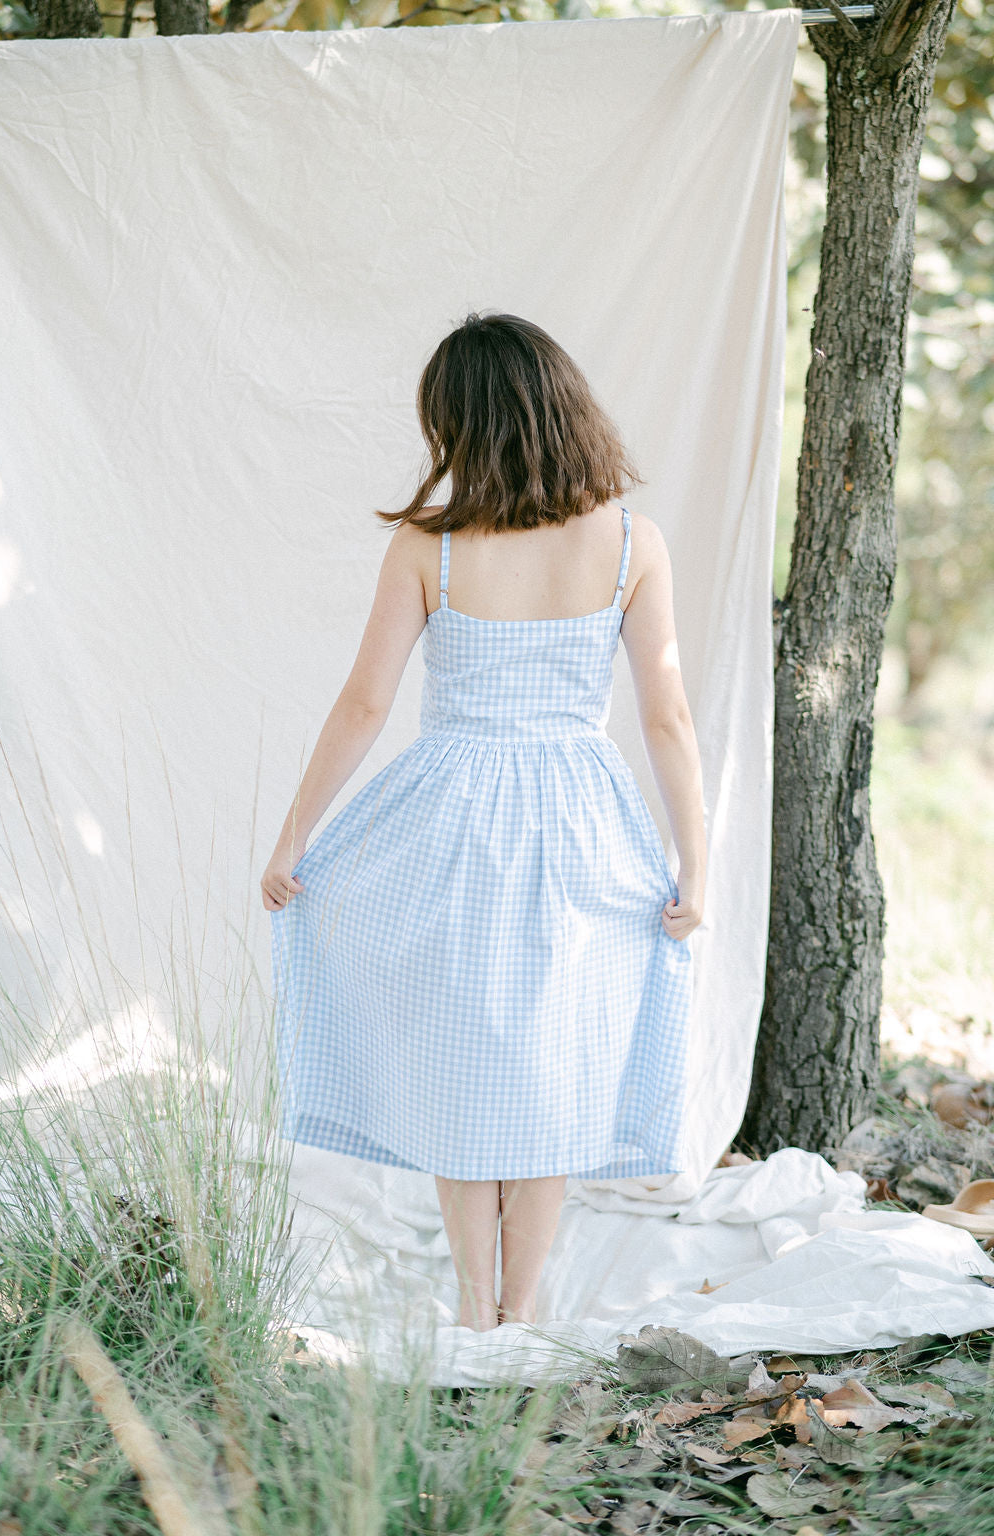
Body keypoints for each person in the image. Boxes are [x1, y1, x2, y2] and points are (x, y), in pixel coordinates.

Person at [261, 311, 706, 1334]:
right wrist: (696, 864)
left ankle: (473, 1308)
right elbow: (665, 713)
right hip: (582, 822)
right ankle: (526, 1301)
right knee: (549, 1065)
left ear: (458, 425)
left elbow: (365, 704)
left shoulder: (434, 546)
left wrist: (294, 839)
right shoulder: (635, 541)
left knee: (465, 1059)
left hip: (455, 820)